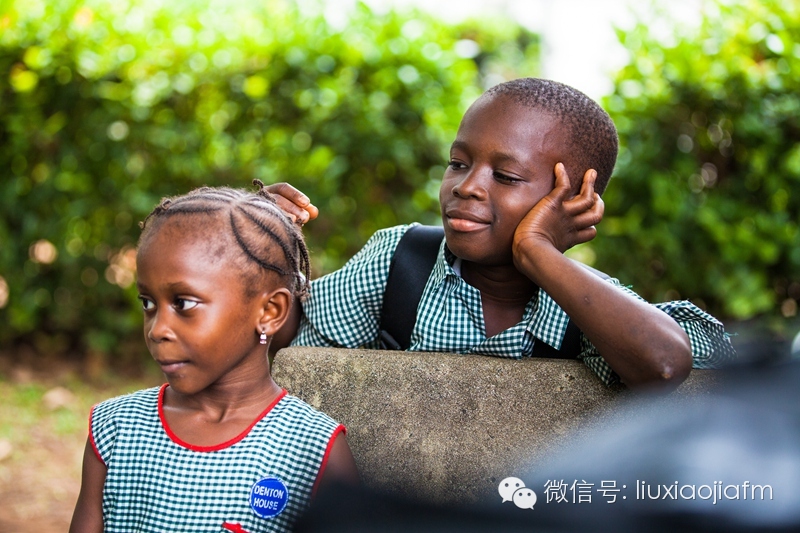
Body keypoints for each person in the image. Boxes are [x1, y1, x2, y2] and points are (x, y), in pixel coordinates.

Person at [269, 77, 735, 389]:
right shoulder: (401, 262)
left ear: (572, 202)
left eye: (506, 177)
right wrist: (263, 244)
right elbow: (284, 334)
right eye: (458, 163)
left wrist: (537, 250)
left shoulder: (587, 309)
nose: (466, 187)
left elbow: (668, 363)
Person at [69, 183, 359, 533]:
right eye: (148, 303)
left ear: (269, 311)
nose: (157, 329)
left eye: (183, 303)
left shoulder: (312, 450)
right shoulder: (115, 429)